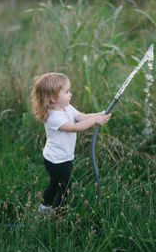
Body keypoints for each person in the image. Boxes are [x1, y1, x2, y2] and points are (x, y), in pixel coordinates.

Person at [31, 72, 111, 214]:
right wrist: (94, 121)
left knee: (55, 184)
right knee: (64, 188)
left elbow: (82, 117)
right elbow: (74, 128)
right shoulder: (53, 117)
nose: (71, 94)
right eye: (67, 92)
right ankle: (59, 213)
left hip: (63, 157)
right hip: (56, 160)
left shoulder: (67, 107)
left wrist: (99, 115)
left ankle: (44, 209)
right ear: (54, 98)